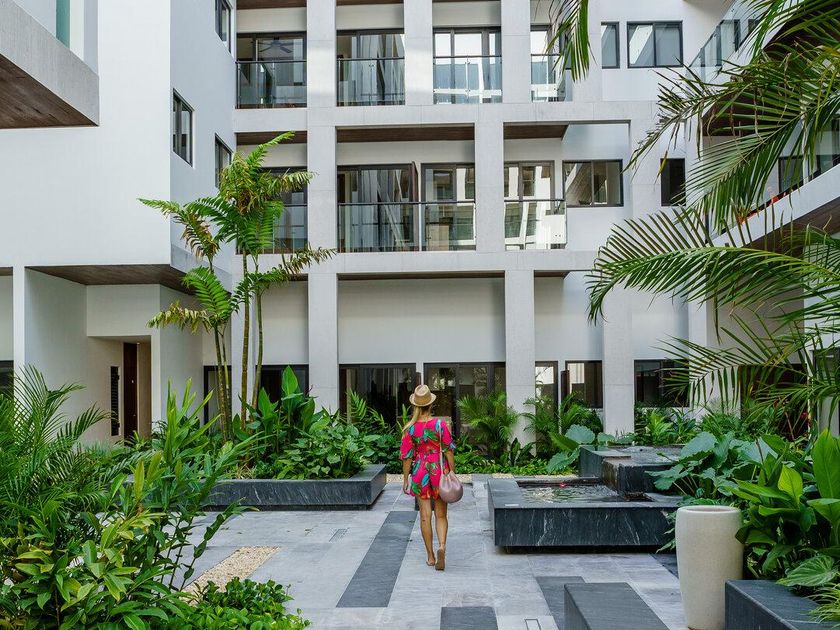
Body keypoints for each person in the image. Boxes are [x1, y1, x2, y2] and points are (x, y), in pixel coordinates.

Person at [400, 383, 456, 571]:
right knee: (441, 514)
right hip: (439, 470)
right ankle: (442, 546)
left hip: (420, 471)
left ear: (415, 405)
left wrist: (406, 478)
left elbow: (407, 457)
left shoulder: (410, 429)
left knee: (425, 516)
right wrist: (452, 472)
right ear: (430, 404)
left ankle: (431, 557)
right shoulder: (440, 425)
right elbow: (448, 451)